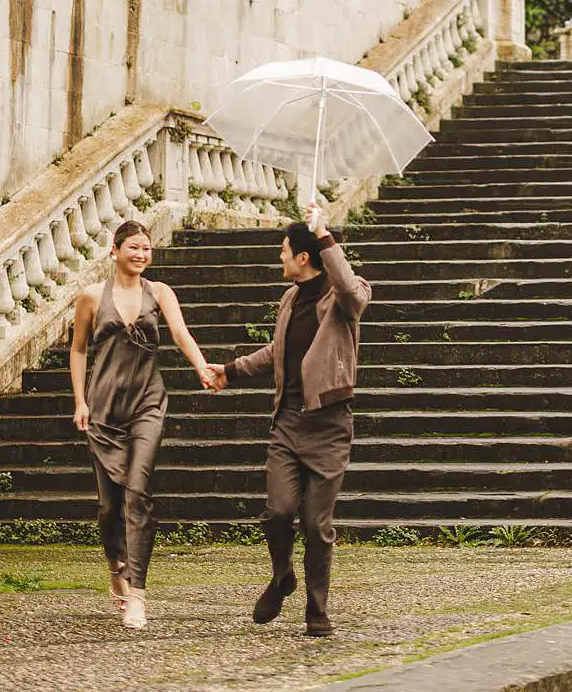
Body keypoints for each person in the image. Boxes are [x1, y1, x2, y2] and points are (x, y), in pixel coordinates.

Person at [209, 202, 371, 638]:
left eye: (284, 250)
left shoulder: (343, 297)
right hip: (287, 423)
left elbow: (352, 289)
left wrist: (324, 235)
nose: (280, 258)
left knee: (317, 526)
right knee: (277, 513)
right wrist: (232, 369)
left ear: (303, 257)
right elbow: (276, 352)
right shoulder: (288, 298)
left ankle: (317, 610)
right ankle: (282, 577)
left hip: (329, 426)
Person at [70, 217, 224, 630]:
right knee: (108, 507)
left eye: (146, 248)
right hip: (103, 410)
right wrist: (80, 401)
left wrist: (201, 369)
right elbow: (79, 350)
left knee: (139, 493)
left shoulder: (160, 292)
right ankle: (116, 566)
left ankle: (137, 592)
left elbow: (180, 334)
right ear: (114, 251)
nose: (141, 254)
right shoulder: (89, 297)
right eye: (133, 247)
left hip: (148, 405)